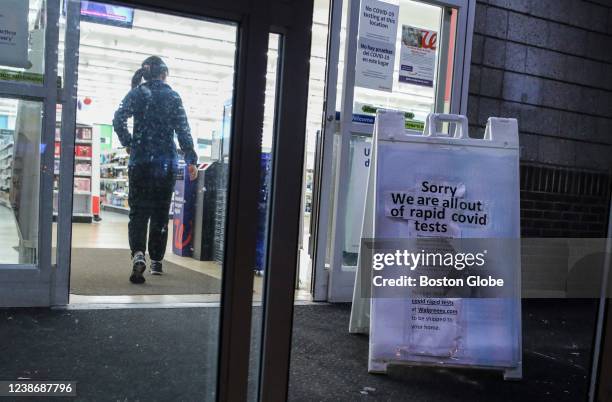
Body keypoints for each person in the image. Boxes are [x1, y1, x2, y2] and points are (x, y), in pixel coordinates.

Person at [113, 56, 198, 284]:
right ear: (164, 74)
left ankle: (138, 254)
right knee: (160, 214)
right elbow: (183, 130)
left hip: (140, 163)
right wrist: (191, 159)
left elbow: (118, 118)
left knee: (138, 213)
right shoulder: (172, 96)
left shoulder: (136, 94)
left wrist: (130, 143)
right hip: (165, 165)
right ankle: (157, 262)